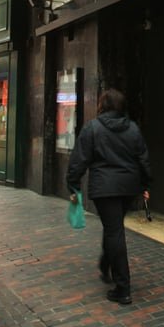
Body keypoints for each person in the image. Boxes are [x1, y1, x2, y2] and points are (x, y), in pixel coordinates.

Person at [66, 88, 151, 305]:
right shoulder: (132, 128)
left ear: (102, 105)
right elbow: (143, 158)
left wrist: (72, 184)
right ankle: (106, 264)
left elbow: (79, 159)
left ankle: (123, 288)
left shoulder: (92, 128)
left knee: (114, 231)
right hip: (128, 187)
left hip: (105, 188)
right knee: (114, 227)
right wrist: (145, 184)